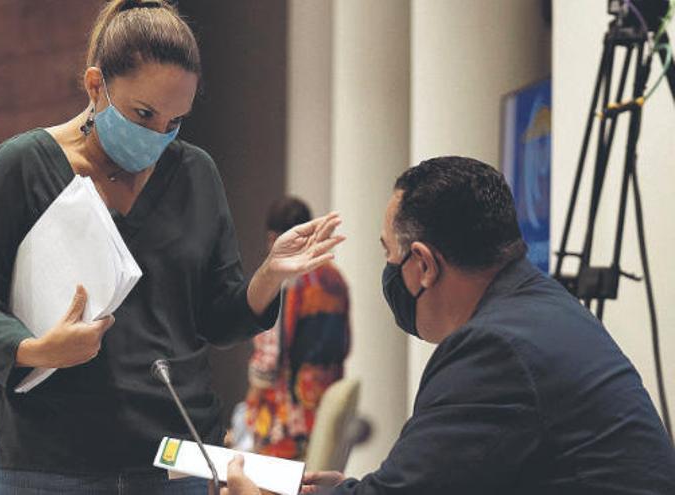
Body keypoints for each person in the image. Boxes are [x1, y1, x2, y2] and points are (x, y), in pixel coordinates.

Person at [0, 1, 344, 493]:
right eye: (143, 114)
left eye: (175, 121)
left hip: (172, 462)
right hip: (44, 462)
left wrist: (269, 276)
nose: (157, 136)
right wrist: (34, 349)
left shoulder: (195, 173)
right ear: (96, 86)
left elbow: (217, 319)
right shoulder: (23, 165)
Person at [221, 157, 675, 494]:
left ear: (422, 264)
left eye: (389, 255)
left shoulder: (493, 348)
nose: (388, 270)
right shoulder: (540, 306)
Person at [243, 197, 350, 460]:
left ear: (272, 238)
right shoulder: (335, 278)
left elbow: (266, 366)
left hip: (287, 422)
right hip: (323, 409)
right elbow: (346, 344)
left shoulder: (286, 282)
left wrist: (251, 405)